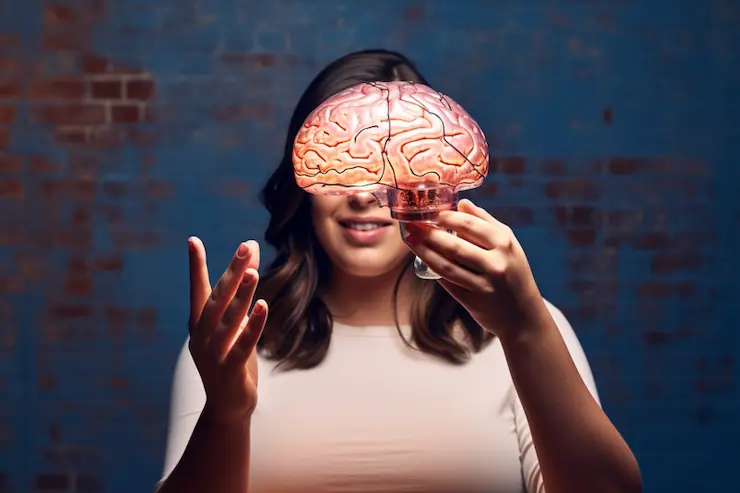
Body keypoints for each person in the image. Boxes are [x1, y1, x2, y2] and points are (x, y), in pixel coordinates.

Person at [156, 49, 642, 493]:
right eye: (348, 167)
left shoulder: (520, 330)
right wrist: (226, 415)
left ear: (436, 184)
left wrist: (528, 328)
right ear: (304, 183)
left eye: (392, 171)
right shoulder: (235, 343)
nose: (365, 195)